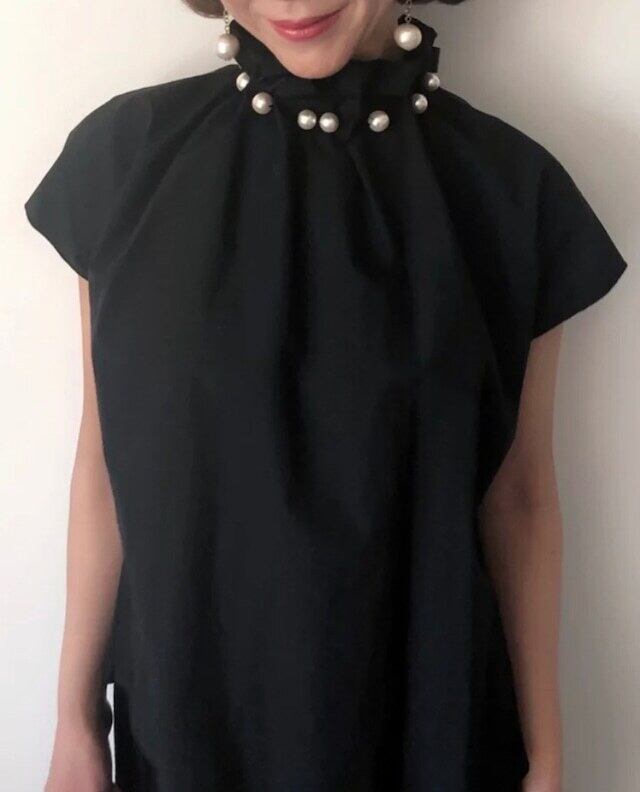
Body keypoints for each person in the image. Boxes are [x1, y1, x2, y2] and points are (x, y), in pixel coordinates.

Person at [25, 0, 628, 790]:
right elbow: (106, 463)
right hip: (185, 735)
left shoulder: (511, 194)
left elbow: (518, 499)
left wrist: (546, 759)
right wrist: (75, 723)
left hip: (430, 737)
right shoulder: (126, 163)